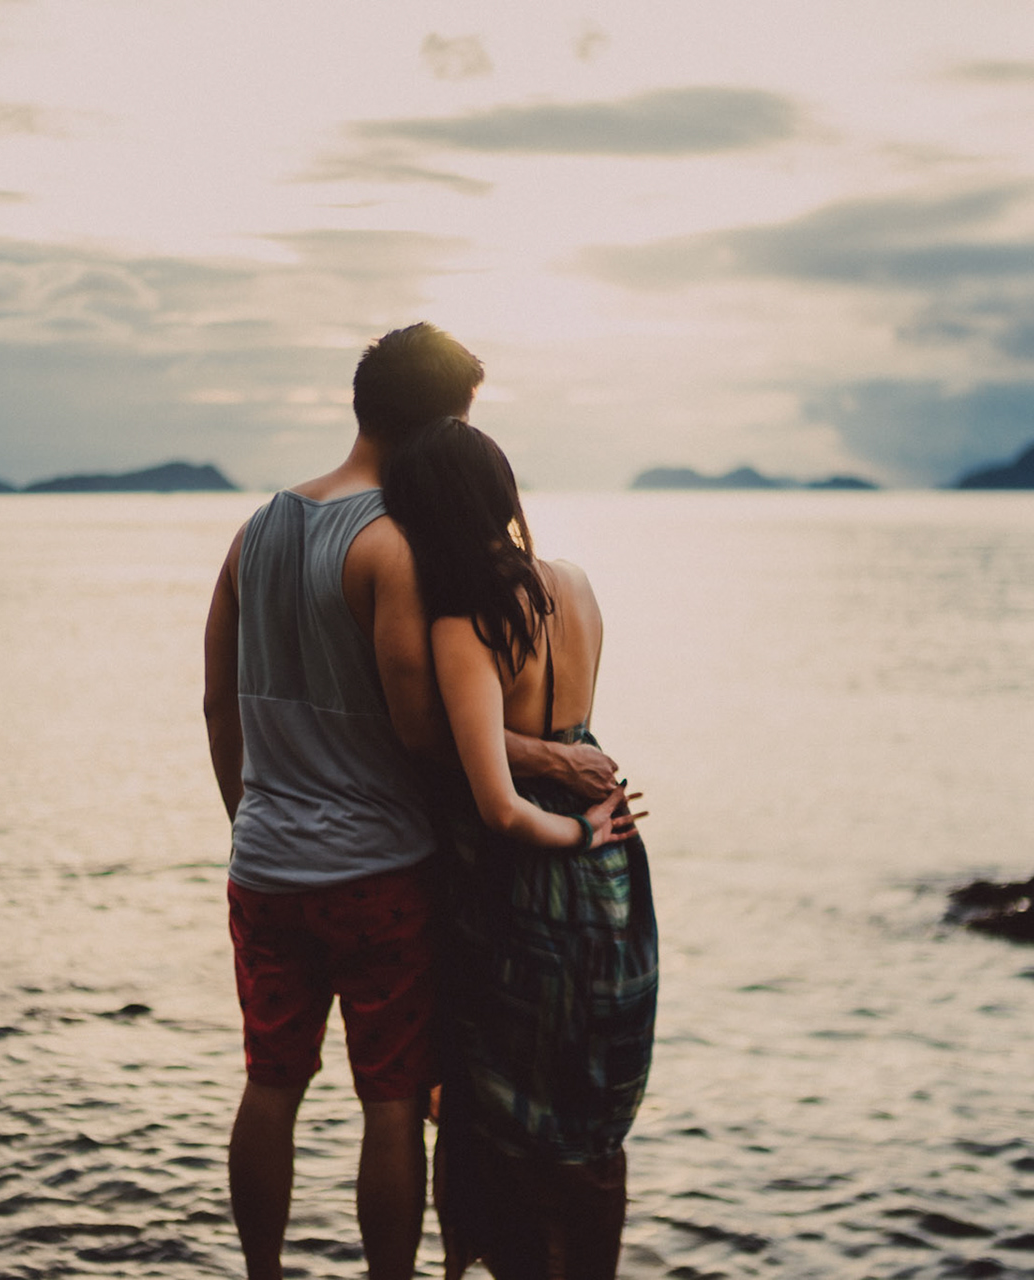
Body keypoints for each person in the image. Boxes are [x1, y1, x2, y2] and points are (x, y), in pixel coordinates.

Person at [202, 324, 619, 1280]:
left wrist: (247, 821)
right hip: (379, 870)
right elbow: (424, 729)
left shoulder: (256, 527)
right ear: (444, 425)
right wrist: (544, 763)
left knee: (269, 1084)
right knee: (391, 1103)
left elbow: (217, 697)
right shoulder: (395, 546)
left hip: (263, 867)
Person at [380, 416, 659, 1280]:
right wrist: (590, 830)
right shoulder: (574, 584)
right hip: (612, 872)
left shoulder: (469, 620)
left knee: (506, 1117)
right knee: (588, 1109)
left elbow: (495, 803)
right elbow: (560, 735)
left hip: (526, 877)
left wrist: (569, 831)